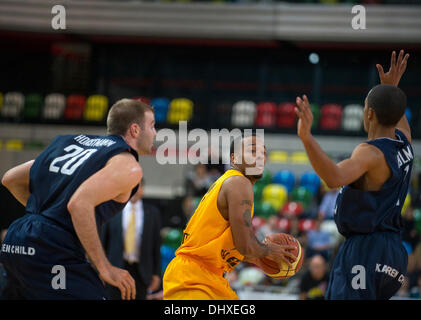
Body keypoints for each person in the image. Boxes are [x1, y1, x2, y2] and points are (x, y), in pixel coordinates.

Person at [0, 98, 156, 300]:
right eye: (152, 126)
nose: (155, 133)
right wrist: (105, 267)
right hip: (52, 246)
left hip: (16, 239)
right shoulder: (128, 166)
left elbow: (10, 178)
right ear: (135, 130)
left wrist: (48, 214)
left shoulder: (70, 143)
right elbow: (79, 204)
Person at [294, 50, 412, 300]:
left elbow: (334, 178)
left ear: (369, 113)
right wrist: (391, 89)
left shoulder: (370, 153)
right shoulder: (405, 142)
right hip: (393, 252)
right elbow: (394, 109)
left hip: (365, 249)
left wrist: (307, 138)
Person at [163, 134, 298, 300]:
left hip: (210, 276)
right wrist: (269, 251)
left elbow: (234, 245)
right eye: (252, 151)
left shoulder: (232, 183)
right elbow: (245, 246)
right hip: (194, 278)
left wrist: (258, 257)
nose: (260, 156)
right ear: (234, 157)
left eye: (263, 153)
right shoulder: (239, 183)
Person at [101, 178, 162, 300]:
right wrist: (102, 269)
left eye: (137, 187)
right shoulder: (113, 210)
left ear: (143, 190)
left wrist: (156, 273)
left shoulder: (153, 213)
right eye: (131, 187)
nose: (134, 191)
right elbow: (103, 242)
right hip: (116, 268)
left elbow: (156, 245)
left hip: (142, 272)